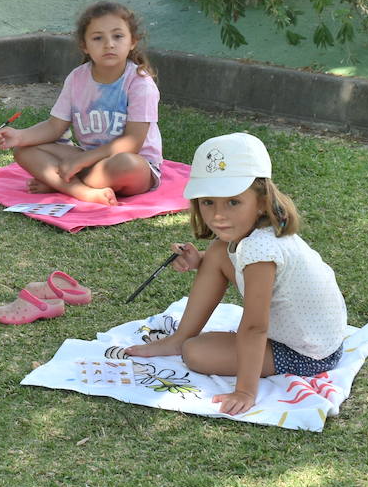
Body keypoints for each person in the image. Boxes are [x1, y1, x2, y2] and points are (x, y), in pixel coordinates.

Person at [126, 132, 349, 415]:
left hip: (308, 354)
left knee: (195, 353)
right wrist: (201, 261)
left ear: (260, 201)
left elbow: (255, 326)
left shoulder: (260, 249)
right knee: (218, 251)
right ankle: (178, 337)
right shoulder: (255, 236)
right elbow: (234, 260)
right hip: (314, 335)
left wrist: (245, 390)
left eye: (232, 202)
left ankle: (184, 342)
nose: (218, 215)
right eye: (208, 202)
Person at [0, 1, 161, 206]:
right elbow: (54, 127)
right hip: (88, 159)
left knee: (126, 164)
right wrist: (19, 136)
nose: (109, 44)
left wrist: (81, 162)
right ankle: (82, 191)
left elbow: (132, 142)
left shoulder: (140, 83)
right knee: (23, 150)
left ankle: (60, 183)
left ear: (133, 41)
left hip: (135, 167)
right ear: (84, 46)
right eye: (98, 38)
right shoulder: (77, 78)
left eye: (118, 36)